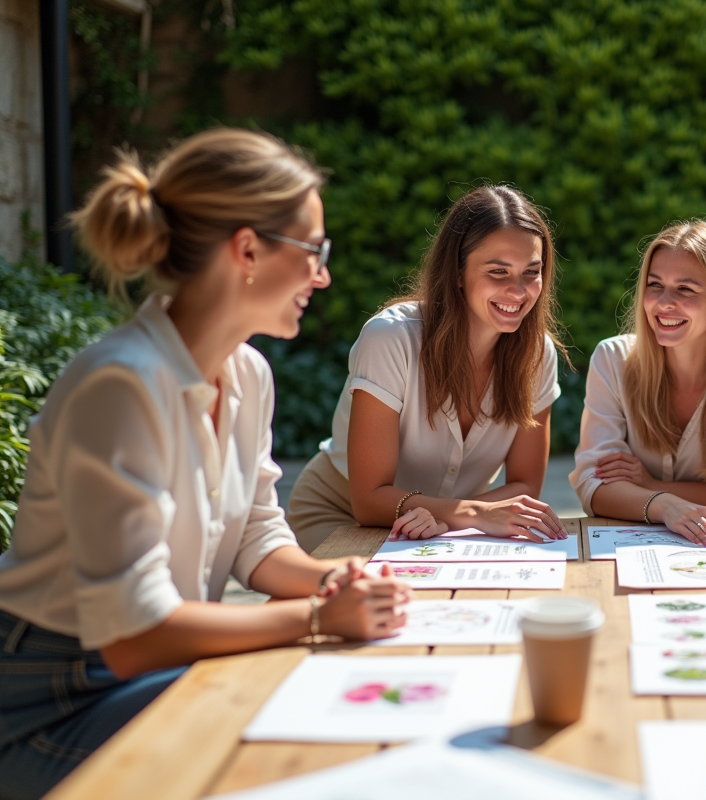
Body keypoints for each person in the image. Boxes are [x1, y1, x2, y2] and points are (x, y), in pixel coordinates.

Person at [0, 129, 411, 800]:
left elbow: (256, 539)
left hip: (145, 667)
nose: (324, 276)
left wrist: (331, 578)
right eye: (315, 252)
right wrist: (316, 618)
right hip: (50, 696)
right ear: (246, 250)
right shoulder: (120, 385)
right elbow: (134, 634)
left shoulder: (247, 373)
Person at [287, 185, 568, 553]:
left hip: (440, 529)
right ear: (456, 272)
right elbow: (370, 500)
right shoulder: (391, 338)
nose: (518, 291)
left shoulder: (538, 354)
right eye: (498, 272)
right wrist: (471, 513)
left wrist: (455, 517)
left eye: (531, 272)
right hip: (340, 517)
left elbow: (525, 486)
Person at [569, 220, 706, 545]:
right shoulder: (613, 359)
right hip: (629, 548)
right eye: (655, 285)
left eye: (685, 289)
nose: (664, 303)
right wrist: (665, 506)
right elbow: (594, 486)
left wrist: (646, 485)